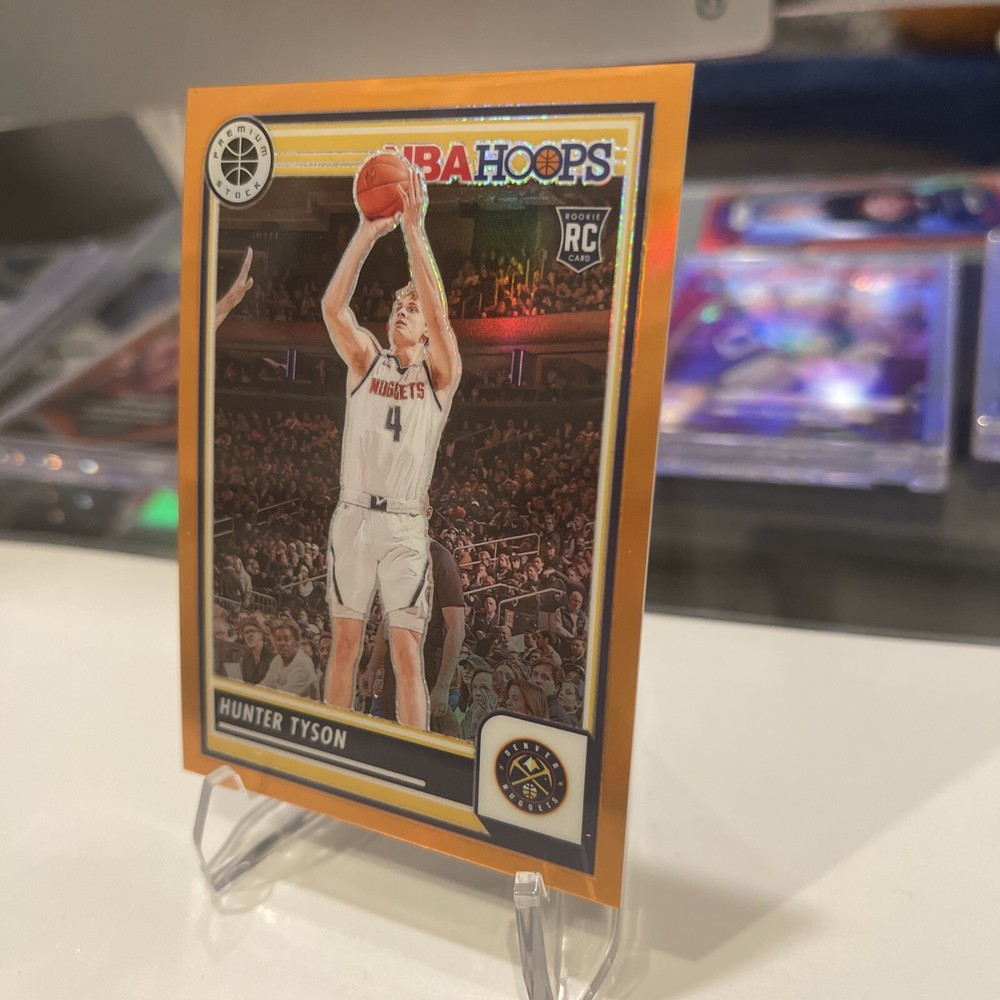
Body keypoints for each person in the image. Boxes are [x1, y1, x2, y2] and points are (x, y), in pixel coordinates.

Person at [322, 161, 461, 731]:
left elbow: (439, 312)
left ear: (427, 328)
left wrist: (412, 229)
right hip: (355, 514)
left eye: (413, 309)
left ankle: (413, 752)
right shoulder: (365, 361)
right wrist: (365, 232)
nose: (403, 311)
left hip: (404, 525)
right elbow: (333, 308)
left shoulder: (440, 375)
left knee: (407, 654)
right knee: (345, 644)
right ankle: (333, 744)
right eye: (397, 307)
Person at [367, 539, 467, 736]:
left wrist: (442, 686)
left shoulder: (441, 559)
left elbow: (456, 628)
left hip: (424, 668)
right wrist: (372, 667)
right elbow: (386, 620)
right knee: (393, 739)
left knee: (419, 741)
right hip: (394, 665)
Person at [260, 622, 320, 700]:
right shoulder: (278, 659)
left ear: (296, 643)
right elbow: (265, 685)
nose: (282, 643)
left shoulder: (303, 666)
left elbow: (284, 699)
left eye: (286, 639)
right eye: (278, 639)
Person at [239, 619, 273, 685]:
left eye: (252, 631)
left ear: (260, 634)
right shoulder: (246, 658)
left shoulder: (272, 657)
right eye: (246, 632)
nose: (249, 635)